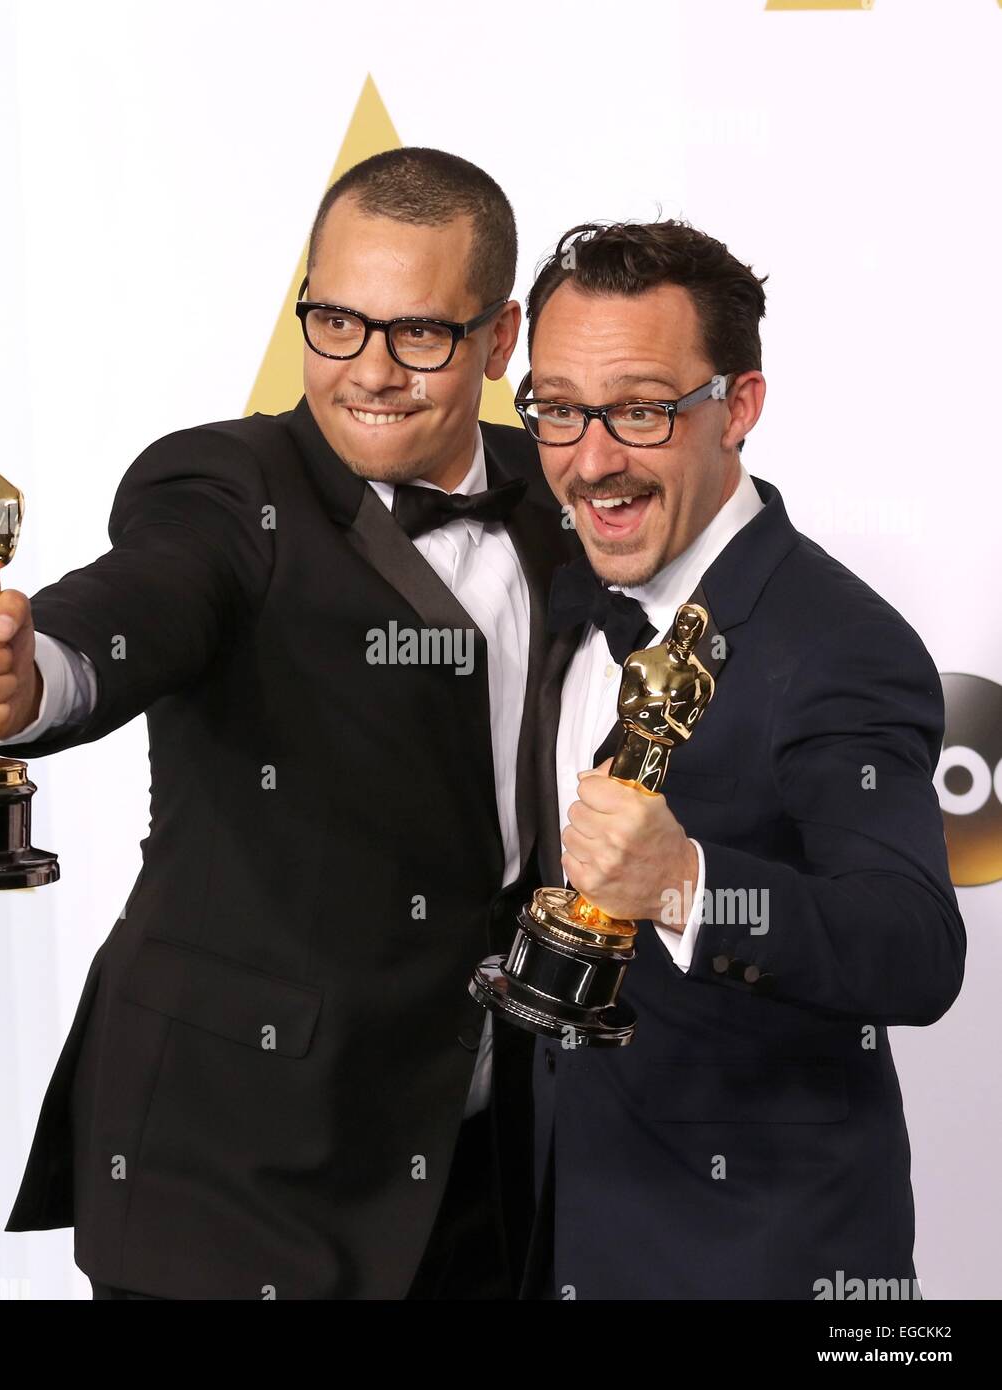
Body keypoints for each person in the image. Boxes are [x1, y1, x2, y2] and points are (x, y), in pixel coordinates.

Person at [0, 148, 576, 1299]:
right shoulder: (224, 487)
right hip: (233, 1171)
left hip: (478, 1172)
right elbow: (135, 608)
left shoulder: (557, 491)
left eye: (417, 334)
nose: (368, 370)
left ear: (499, 340)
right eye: (334, 322)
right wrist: (23, 680)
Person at [514, 219, 966, 1300]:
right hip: (553, 1241)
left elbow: (912, 948)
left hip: (760, 1263)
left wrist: (684, 884)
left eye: (639, 409)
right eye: (558, 408)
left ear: (740, 407)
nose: (589, 459)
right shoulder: (559, 583)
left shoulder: (839, 645)